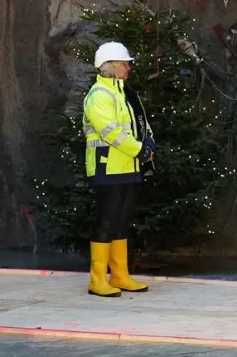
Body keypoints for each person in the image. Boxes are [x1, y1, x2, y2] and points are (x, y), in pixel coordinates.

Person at [81, 42, 154, 297]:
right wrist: (140, 150)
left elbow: (140, 123)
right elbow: (110, 132)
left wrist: (148, 144)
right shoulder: (99, 95)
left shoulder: (124, 93)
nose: (129, 67)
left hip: (127, 167)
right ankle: (98, 279)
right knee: (107, 221)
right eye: (125, 63)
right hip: (107, 168)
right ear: (111, 67)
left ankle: (120, 275)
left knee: (121, 223)